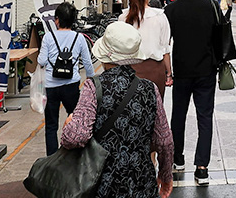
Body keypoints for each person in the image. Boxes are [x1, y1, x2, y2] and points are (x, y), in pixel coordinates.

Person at [61, 22, 173, 198]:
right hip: (142, 184)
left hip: (101, 185)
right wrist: (165, 175)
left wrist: (69, 125)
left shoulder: (93, 87)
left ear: (105, 56)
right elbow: (164, 141)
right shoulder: (150, 89)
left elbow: (77, 136)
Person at [164, 0, 219, 185]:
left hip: (182, 70)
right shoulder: (211, 6)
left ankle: (178, 158)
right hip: (207, 69)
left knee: (178, 115)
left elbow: (165, 44)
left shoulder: (171, 10)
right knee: (204, 117)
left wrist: (168, 72)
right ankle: (202, 168)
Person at [37, 2, 94, 156]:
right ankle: (76, 157)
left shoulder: (48, 37)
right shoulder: (79, 38)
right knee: (77, 122)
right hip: (71, 85)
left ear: (57, 20)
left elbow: (41, 61)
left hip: (51, 86)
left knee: (51, 126)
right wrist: (91, 80)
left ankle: (52, 160)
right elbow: (88, 63)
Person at [119, 0, 172, 98]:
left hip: (129, 71)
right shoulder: (159, 17)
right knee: (154, 112)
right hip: (154, 70)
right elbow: (165, 50)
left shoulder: (123, 18)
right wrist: (168, 73)